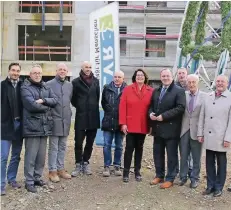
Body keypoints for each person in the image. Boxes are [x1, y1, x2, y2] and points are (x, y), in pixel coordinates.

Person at [21, 64, 58, 193]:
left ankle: (37, 177)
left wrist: (43, 100)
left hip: (44, 126)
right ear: (30, 74)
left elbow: (55, 100)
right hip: (32, 127)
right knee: (31, 156)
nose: (37, 75)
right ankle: (29, 181)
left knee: (41, 156)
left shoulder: (45, 86)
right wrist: (48, 107)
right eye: (35, 73)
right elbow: (31, 106)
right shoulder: (25, 87)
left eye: (39, 73)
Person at [149, 68, 186, 189]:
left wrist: (163, 116)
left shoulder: (179, 91)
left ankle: (170, 178)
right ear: (161, 77)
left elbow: (180, 108)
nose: (165, 78)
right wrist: (150, 114)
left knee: (171, 155)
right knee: (157, 153)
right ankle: (159, 175)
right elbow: (151, 106)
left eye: (167, 76)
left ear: (172, 76)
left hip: (171, 129)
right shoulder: (157, 90)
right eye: (163, 76)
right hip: (158, 129)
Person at [198, 75, 231, 197]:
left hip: (221, 138)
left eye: (222, 81)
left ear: (227, 83)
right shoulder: (208, 96)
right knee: (209, 162)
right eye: (218, 81)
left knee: (221, 163)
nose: (220, 83)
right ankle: (210, 185)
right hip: (208, 136)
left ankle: (219, 187)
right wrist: (200, 133)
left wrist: (228, 138)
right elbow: (202, 116)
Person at [119, 69, 153, 182]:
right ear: (134, 77)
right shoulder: (128, 89)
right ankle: (126, 172)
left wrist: (151, 125)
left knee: (139, 148)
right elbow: (122, 107)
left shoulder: (150, 90)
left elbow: (152, 108)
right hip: (130, 125)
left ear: (145, 77)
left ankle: (137, 171)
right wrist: (123, 123)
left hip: (143, 125)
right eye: (138, 75)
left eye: (142, 75)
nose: (140, 77)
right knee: (129, 149)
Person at [71, 61, 100, 176]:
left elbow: (97, 97)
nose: (88, 69)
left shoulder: (96, 82)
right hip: (81, 116)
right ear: (82, 68)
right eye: (86, 67)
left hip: (93, 116)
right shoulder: (75, 82)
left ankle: (86, 162)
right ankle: (78, 163)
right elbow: (73, 99)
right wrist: (81, 106)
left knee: (90, 142)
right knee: (78, 142)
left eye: (90, 67)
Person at [46, 63, 73, 183]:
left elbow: (68, 100)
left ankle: (60, 168)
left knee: (62, 146)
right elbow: (46, 103)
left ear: (67, 72)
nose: (62, 71)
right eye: (60, 69)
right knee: (53, 147)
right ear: (56, 70)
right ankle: (52, 171)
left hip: (65, 120)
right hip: (54, 120)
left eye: (64, 70)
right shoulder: (49, 84)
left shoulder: (69, 85)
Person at [179, 74, 206, 188]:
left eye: (193, 82)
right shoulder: (182, 95)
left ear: (197, 83)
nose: (191, 84)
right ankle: (183, 177)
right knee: (184, 156)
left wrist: (203, 132)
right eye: (189, 82)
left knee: (196, 157)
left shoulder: (205, 96)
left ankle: (195, 178)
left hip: (197, 131)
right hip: (184, 129)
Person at [1, 63, 23, 196]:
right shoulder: (2, 86)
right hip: (5, 125)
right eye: (13, 70)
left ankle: (12, 179)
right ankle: (1, 184)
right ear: (9, 71)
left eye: (17, 71)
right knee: (3, 157)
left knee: (16, 155)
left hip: (19, 125)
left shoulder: (23, 86)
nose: (15, 73)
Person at [101, 71, 127, 177]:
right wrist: (109, 110)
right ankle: (107, 166)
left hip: (121, 122)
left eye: (119, 77)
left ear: (123, 78)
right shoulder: (106, 88)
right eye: (115, 77)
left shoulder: (127, 89)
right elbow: (103, 102)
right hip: (108, 121)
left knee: (119, 146)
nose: (117, 79)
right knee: (106, 145)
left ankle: (117, 165)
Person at [175, 67, 192, 177]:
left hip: (188, 123)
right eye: (179, 73)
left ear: (187, 74)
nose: (181, 75)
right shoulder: (173, 87)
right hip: (175, 123)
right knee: (174, 148)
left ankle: (189, 169)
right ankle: (176, 170)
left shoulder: (191, 86)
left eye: (183, 73)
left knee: (187, 149)